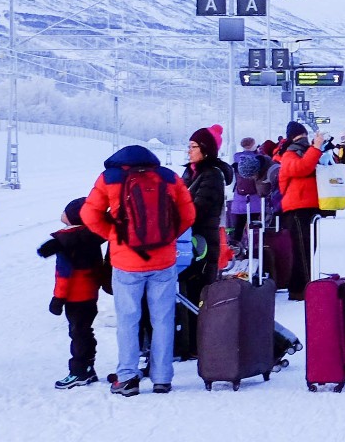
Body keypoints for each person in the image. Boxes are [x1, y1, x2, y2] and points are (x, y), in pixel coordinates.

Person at [81, 144, 195, 396]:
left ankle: (127, 377)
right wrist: (168, 238)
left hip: (126, 262)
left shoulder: (110, 178)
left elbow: (88, 214)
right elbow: (188, 214)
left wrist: (115, 236)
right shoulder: (168, 177)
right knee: (163, 319)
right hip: (164, 261)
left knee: (128, 320)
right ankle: (162, 378)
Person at [38, 197, 106, 390]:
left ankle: (79, 371)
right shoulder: (92, 237)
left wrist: (57, 299)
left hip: (74, 297)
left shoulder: (65, 242)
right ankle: (88, 368)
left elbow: (63, 274)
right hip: (91, 294)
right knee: (85, 330)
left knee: (77, 333)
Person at [273, 121, 324, 301]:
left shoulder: (303, 152)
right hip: (296, 207)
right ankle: (299, 289)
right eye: (301, 136)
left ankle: (304, 286)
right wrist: (316, 149)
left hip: (309, 206)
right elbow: (302, 169)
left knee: (309, 248)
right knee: (302, 249)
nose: (304, 140)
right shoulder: (290, 154)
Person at [181, 126, 231, 304]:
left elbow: (198, 210)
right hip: (189, 240)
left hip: (203, 242)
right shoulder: (192, 173)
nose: (189, 151)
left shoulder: (212, 175)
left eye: (193, 146)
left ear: (206, 149)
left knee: (199, 292)